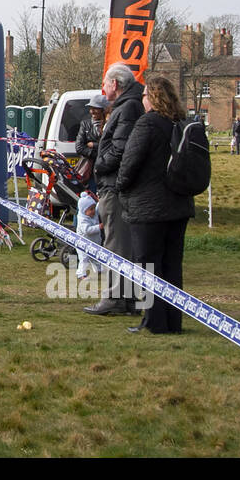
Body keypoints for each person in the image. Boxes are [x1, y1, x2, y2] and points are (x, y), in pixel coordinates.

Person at [117, 76, 196, 335]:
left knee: (148, 266)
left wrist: (121, 186)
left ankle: (153, 321)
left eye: (144, 96)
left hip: (149, 207)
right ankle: (174, 321)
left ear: (152, 97)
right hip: (179, 204)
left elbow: (130, 163)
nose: (141, 100)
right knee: (172, 265)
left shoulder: (147, 123)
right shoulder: (182, 123)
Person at [84, 62, 144, 317]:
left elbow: (120, 150)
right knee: (120, 243)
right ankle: (126, 298)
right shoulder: (125, 107)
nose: (104, 88)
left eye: (106, 83)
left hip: (115, 186)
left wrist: (100, 164)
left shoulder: (127, 108)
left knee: (116, 244)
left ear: (115, 84)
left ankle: (115, 298)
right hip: (115, 184)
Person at [76, 93, 108, 189]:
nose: (92, 111)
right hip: (90, 173)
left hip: (106, 170)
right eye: (90, 108)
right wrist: (99, 154)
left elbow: (111, 146)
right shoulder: (85, 124)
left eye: (95, 108)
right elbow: (79, 147)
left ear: (103, 110)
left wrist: (94, 145)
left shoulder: (110, 124)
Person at [74, 190, 103, 281]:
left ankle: (98, 269)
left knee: (96, 256)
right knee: (84, 259)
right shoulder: (82, 219)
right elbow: (87, 231)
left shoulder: (93, 214)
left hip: (94, 242)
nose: (93, 211)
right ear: (83, 210)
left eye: (93, 208)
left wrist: (99, 200)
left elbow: (98, 207)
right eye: (91, 209)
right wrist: (99, 227)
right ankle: (81, 273)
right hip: (83, 244)